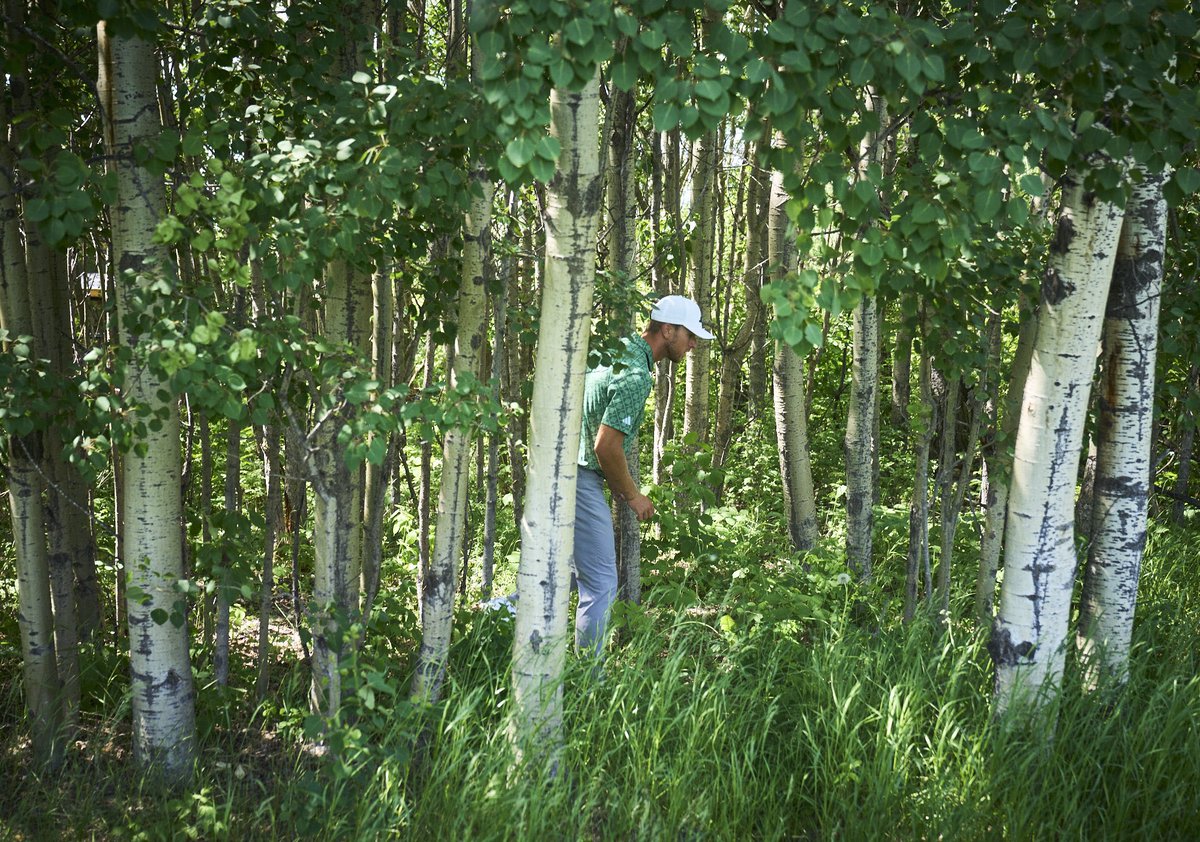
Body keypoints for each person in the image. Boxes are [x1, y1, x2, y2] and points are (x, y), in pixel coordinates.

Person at [573, 295, 713, 657]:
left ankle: (491, 618)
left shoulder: (615, 349)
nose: (693, 344)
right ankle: (588, 680)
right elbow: (606, 446)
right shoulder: (636, 375)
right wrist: (632, 496)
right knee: (601, 584)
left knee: (557, 575)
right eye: (689, 336)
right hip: (580, 479)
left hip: (559, 468)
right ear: (667, 330)